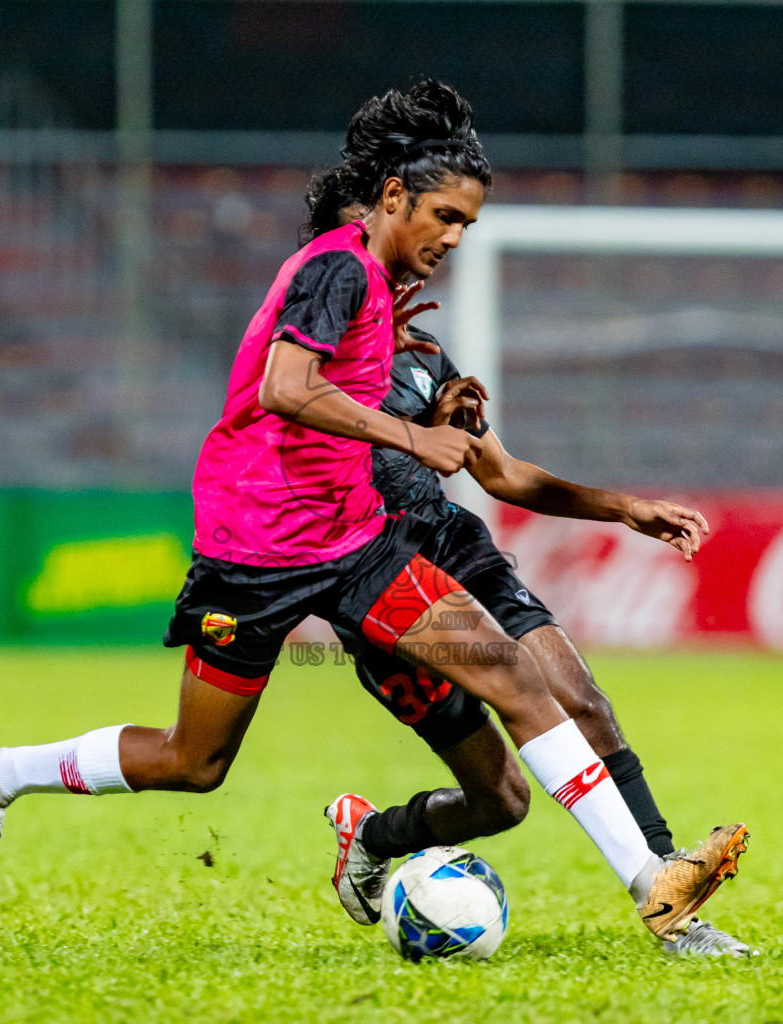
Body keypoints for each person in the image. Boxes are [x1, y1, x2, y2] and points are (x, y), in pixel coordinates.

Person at [0, 81, 743, 948]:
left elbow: (462, 455)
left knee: (511, 673)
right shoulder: (336, 266)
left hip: (355, 542)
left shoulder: (393, 308)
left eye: (466, 224)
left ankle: (652, 881)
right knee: (193, 762)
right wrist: (413, 435)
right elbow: (285, 390)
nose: (454, 238)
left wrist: (438, 432)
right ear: (393, 197)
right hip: (252, 549)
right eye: (444, 216)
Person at [301, 189, 752, 956]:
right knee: (500, 801)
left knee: (584, 702)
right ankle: (374, 837)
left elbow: (502, 475)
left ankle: (671, 902)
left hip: (454, 547)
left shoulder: (421, 359)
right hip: (381, 585)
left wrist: (623, 508)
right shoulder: (303, 371)